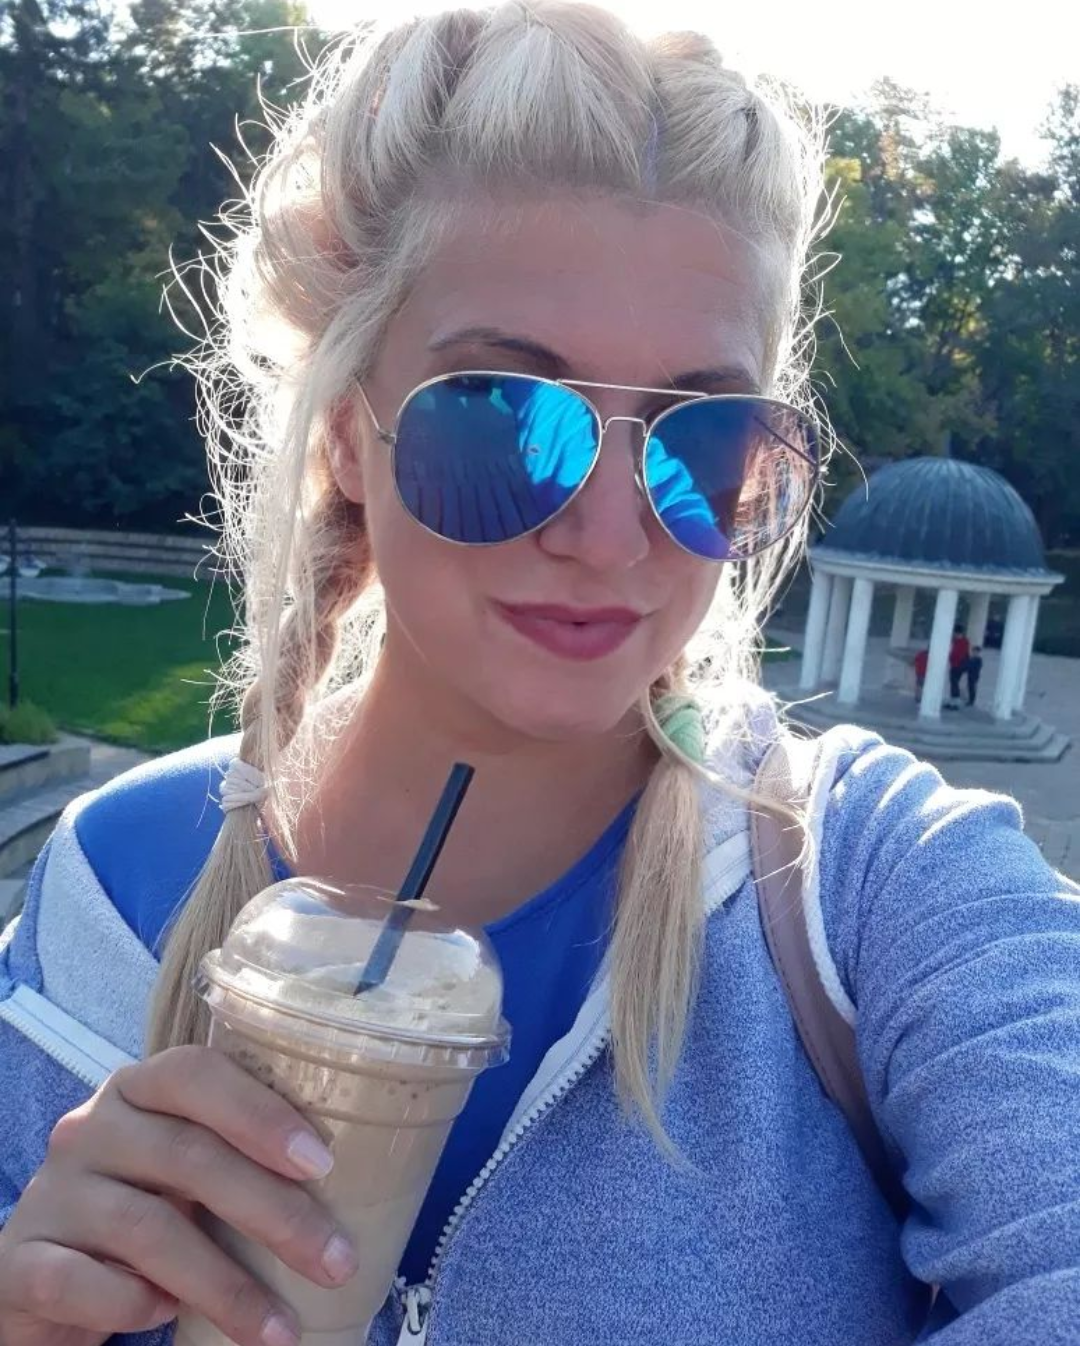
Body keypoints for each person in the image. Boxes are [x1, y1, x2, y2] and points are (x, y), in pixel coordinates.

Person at [1, 6, 1078, 1344]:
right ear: (344, 433)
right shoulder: (114, 897)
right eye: (504, 418)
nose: (609, 536)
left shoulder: (865, 884)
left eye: (705, 439)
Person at [948, 624, 971, 702]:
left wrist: (952, 658)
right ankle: (954, 698)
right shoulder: (957, 641)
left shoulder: (963, 642)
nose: (954, 635)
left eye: (955, 633)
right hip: (955, 664)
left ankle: (956, 698)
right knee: (953, 682)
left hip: (958, 665)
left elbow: (960, 653)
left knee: (954, 681)